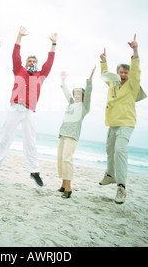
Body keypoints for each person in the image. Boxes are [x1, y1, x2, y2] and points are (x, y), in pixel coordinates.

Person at [0, 26, 57, 187]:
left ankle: (34, 172)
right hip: (15, 107)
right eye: (29, 61)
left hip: (30, 111)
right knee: (5, 138)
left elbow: (49, 63)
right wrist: (19, 36)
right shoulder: (19, 70)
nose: (31, 62)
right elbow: (15, 54)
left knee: (31, 142)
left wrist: (54, 44)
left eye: (34, 61)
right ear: (25, 63)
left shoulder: (40, 75)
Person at [99, 34, 146, 204]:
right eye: (121, 72)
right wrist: (103, 61)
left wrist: (134, 49)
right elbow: (105, 74)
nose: (124, 75)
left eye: (126, 72)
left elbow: (136, 69)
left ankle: (121, 187)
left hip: (126, 123)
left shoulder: (132, 85)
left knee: (120, 150)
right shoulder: (113, 84)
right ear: (117, 74)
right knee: (110, 150)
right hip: (113, 123)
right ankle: (110, 175)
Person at [57, 66, 95, 198]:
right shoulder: (71, 104)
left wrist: (89, 81)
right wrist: (63, 81)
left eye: (79, 94)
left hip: (72, 136)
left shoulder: (84, 107)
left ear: (83, 96)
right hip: (63, 133)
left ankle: (68, 188)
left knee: (67, 160)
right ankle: (63, 184)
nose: (76, 95)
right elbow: (67, 93)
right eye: (76, 93)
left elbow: (89, 93)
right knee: (61, 160)